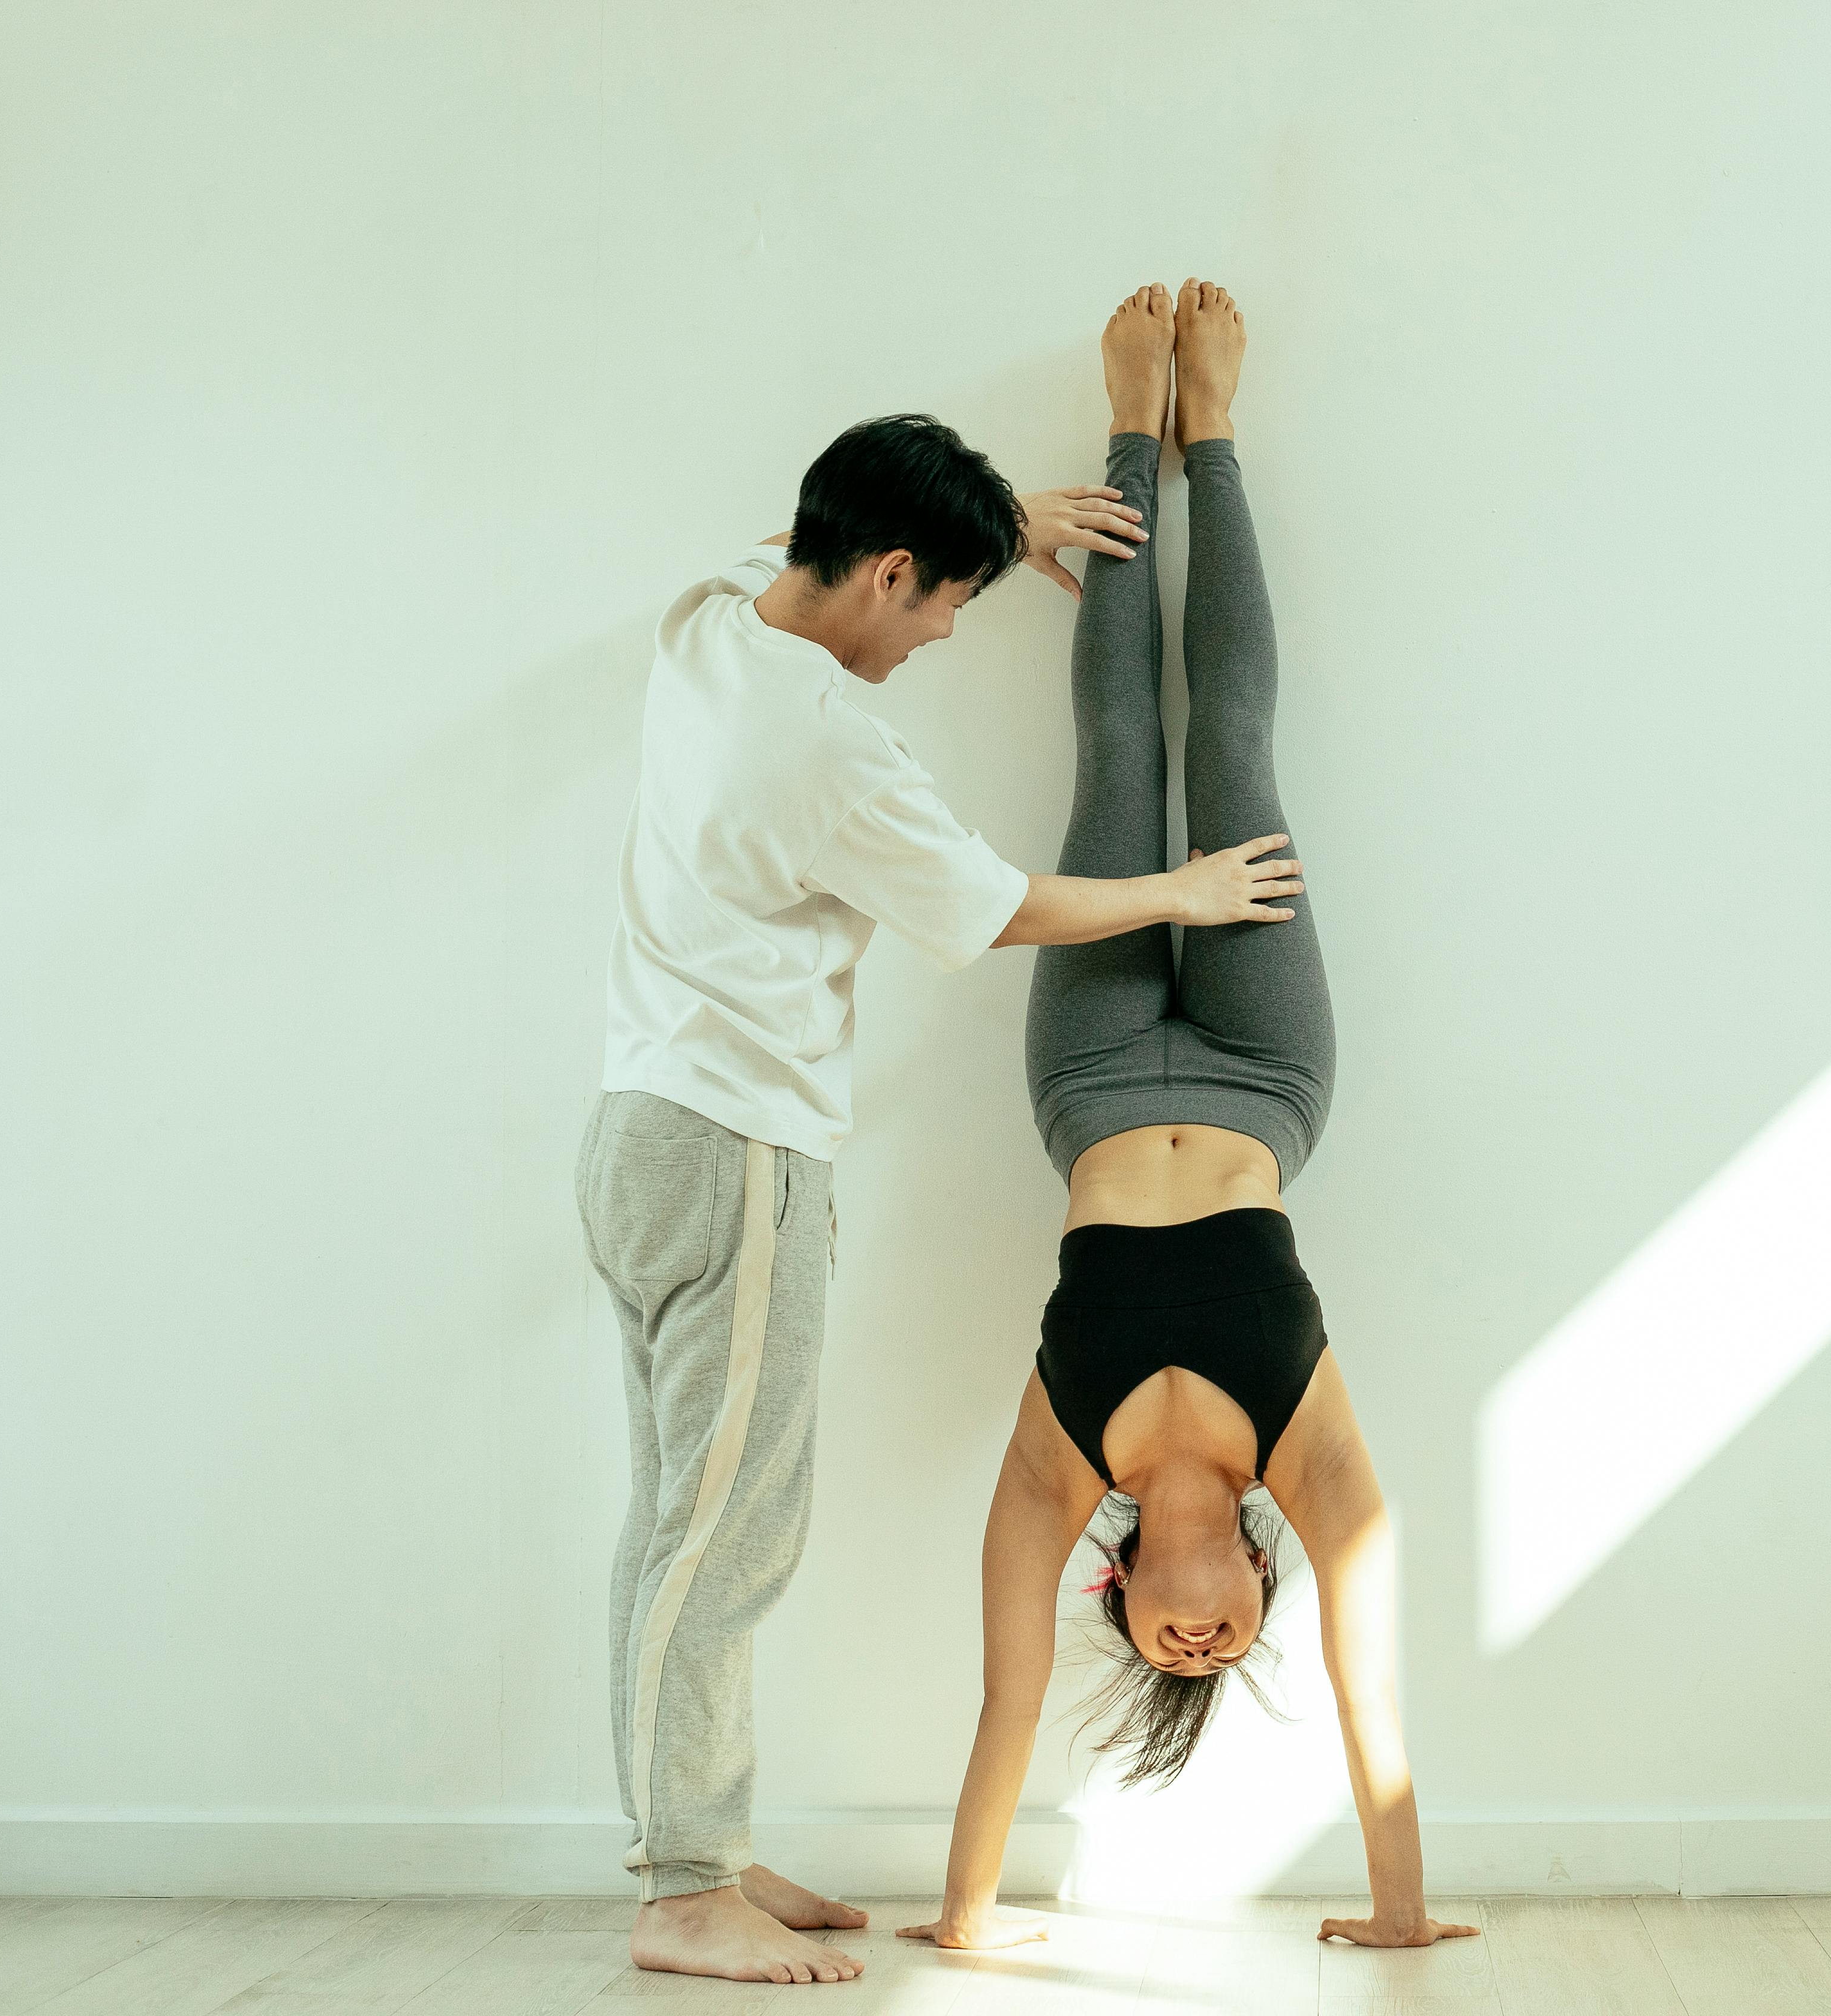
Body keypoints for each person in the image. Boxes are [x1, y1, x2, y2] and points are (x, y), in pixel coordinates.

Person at [577, 409, 1306, 1985]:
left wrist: (999, 516)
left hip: (638, 1134)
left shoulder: (710, 626)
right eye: (948, 604)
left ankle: (695, 1840)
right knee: (726, 1543)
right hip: (738, 1156)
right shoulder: (831, 744)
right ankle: (683, 1889)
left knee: (674, 1525)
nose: (944, 637)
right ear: (891, 571)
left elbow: (791, 546)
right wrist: (1185, 894)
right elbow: (999, 909)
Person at [902, 281, 1478, 1954]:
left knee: (1116, 753)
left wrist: (963, 1926)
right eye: (1223, 1653)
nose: (1201, 1649)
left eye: (1172, 1656)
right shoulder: (1319, 1466)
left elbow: (1007, 1715)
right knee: (1226, 745)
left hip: (1085, 1083)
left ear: (1132, 1594)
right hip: (1260, 1078)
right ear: (1253, 1588)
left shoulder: (1052, 1467)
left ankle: (1123, 433)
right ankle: (1209, 431)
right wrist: (1401, 1923)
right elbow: (1376, 1724)